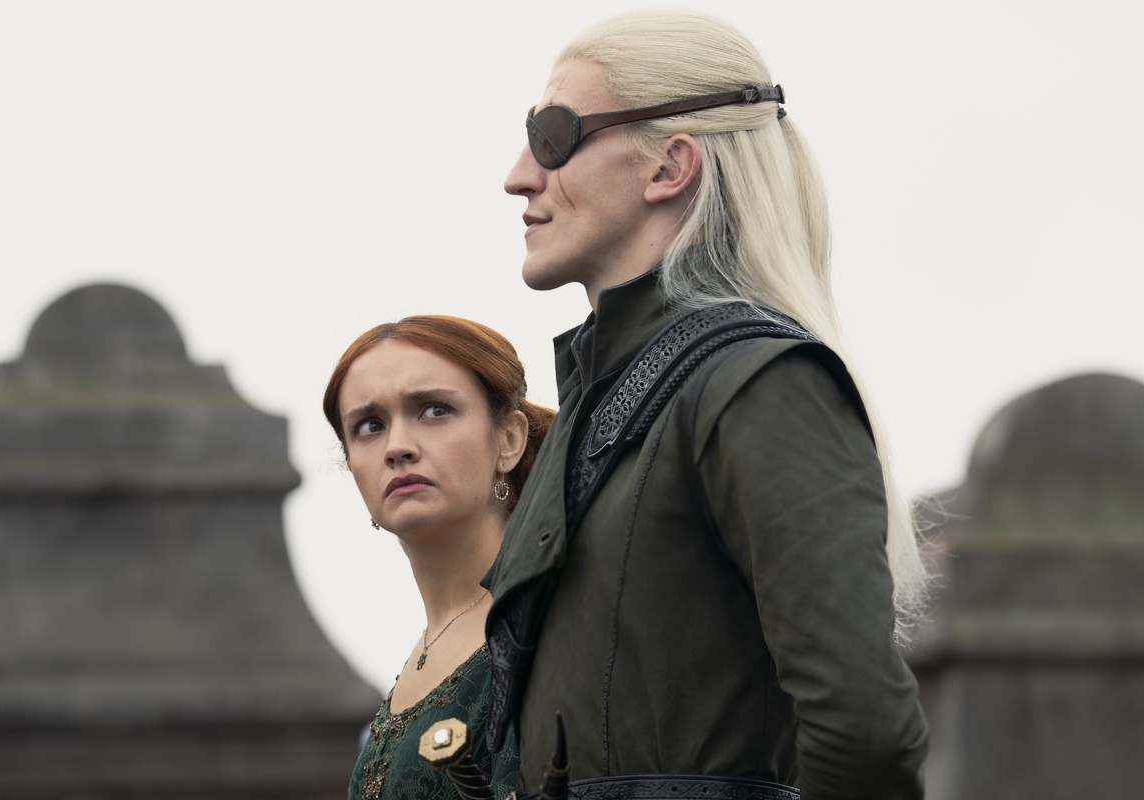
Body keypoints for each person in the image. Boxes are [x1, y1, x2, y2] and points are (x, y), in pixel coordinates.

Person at [484, 11, 931, 800]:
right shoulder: (595, 403)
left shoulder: (763, 383)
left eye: (552, 136)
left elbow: (865, 737)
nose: (519, 175)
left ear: (670, 167)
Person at [323, 316, 554, 800]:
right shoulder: (426, 647)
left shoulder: (551, 623)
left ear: (509, 439)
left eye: (434, 410)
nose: (397, 448)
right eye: (369, 426)